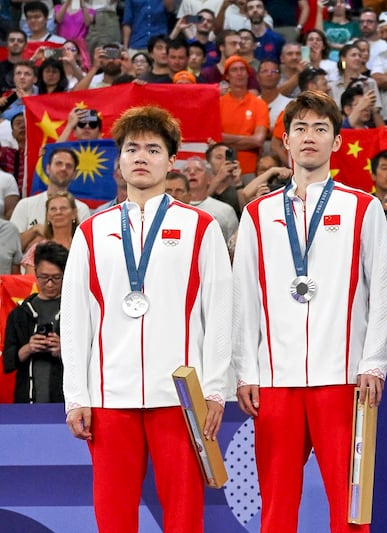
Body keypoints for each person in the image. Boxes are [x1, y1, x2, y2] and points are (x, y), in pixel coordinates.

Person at [61, 105, 232, 532]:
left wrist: (213, 390)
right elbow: (77, 319)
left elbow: (220, 314)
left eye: (153, 149)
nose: (141, 156)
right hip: (109, 395)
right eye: (132, 148)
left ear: (171, 160)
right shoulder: (92, 230)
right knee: (113, 515)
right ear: (118, 159)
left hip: (180, 395)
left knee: (184, 514)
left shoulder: (200, 226)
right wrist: (76, 397)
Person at [232, 90, 387, 533]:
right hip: (276, 379)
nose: (309, 137)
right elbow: (244, 297)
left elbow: (381, 290)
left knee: (350, 505)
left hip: (342, 378)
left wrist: (374, 363)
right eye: (300, 128)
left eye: (321, 129)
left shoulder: (363, 207)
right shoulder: (258, 213)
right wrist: (245, 371)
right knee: (277, 508)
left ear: (337, 142)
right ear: (285, 140)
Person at [3, 242, 68, 403]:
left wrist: (64, 351)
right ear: (35, 273)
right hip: (26, 400)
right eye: (44, 277)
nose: (50, 284)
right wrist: (28, 348)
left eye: (56, 278)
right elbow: (8, 361)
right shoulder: (19, 314)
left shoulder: (75, 311)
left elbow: (93, 359)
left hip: (66, 403)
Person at [10, 148, 91, 251]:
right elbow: (9, 247)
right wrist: (34, 230)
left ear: (74, 174)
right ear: (48, 168)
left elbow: (83, 248)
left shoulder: (81, 209)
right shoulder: (25, 204)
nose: (63, 168)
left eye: (69, 166)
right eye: (58, 164)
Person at [21, 191, 78, 273]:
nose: (58, 212)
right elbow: (31, 283)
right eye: (53, 209)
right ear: (47, 216)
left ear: (74, 214)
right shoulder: (38, 249)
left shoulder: (82, 246)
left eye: (63, 208)